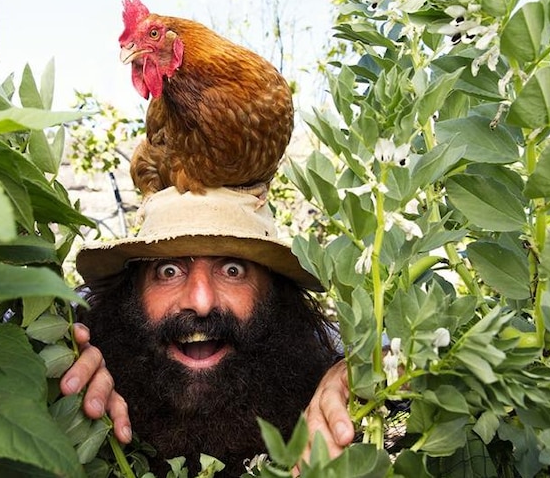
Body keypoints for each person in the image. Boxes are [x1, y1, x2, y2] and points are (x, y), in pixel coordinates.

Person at [59, 187, 354, 477]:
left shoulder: (341, 413)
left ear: (277, 300)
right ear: (127, 300)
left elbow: (391, 354)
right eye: (168, 271)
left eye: (233, 270)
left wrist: (353, 376)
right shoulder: (72, 408)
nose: (200, 302)